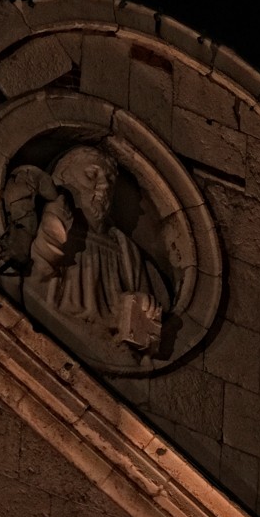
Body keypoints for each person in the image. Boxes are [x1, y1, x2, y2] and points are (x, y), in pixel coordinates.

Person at [24, 146, 166, 359]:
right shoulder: (52, 224)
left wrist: (143, 304)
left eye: (109, 180)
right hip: (60, 334)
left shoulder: (125, 248)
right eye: (91, 175)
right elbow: (36, 282)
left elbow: (145, 325)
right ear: (63, 177)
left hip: (111, 349)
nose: (104, 186)